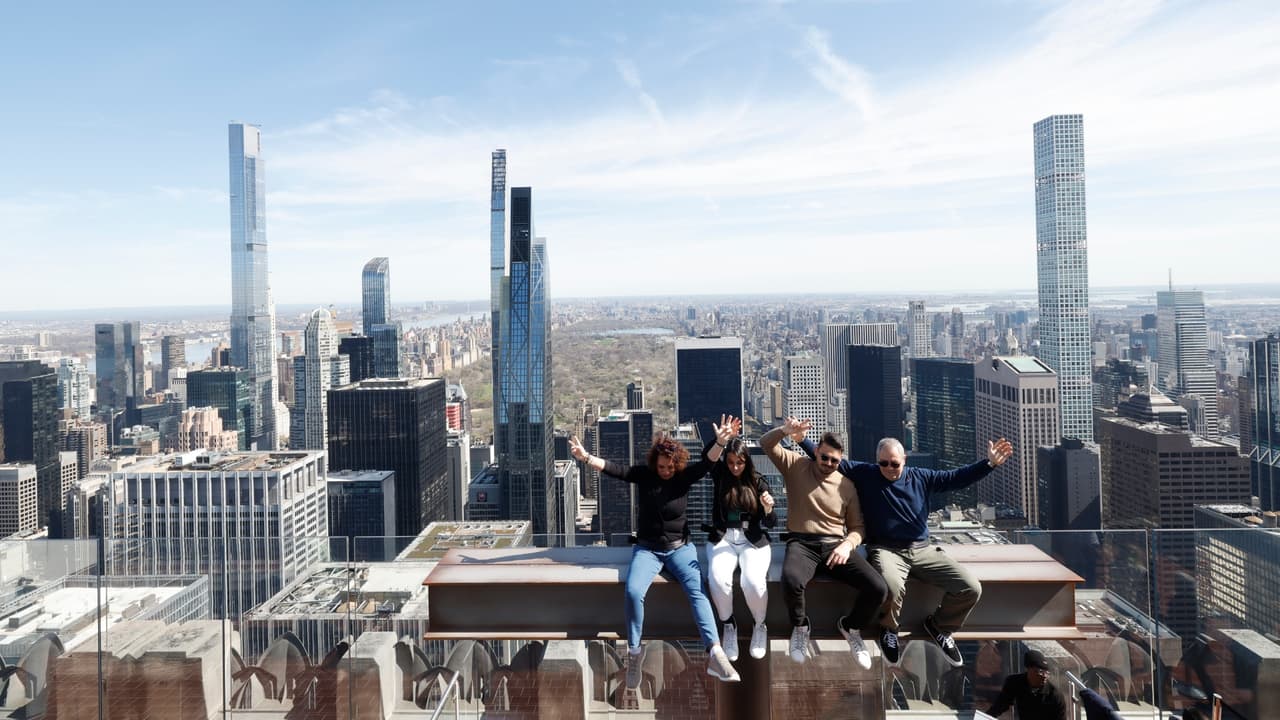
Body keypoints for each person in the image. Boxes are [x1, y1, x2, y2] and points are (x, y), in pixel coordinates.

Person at [798, 433, 1013, 667]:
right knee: (890, 585)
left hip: (922, 550)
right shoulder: (866, 474)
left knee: (970, 587)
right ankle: (889, 629)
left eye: (894, 463)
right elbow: (828, 457)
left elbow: (956, 479)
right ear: (876, 461)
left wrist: (989, 463)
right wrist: (801, 439)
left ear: (905, 460)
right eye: (883, 463)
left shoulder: (921, 477)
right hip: (886, 549)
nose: (889, 468)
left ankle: (940, 627)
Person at [569, 415, 742, 688]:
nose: (665, 470)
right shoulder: (645, 476)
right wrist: (586, 457)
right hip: (647, 550)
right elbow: (616, 469)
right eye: (662, 466)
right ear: (655, 463)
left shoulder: (683, 477)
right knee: (634, 591)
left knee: (697, 590)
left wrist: (721, 441)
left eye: (670, 467)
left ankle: (715, 652)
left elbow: (707, 462)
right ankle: (635, 653)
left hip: (679, 549)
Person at [761, 417, 888, 669]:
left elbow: (858, 528)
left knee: (878, 588)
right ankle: (800, 626)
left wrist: (847, 545)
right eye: (825, 457)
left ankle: (851, 628)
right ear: (816, 451)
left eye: (835, 461)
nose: (829, 464)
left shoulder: (847, 486)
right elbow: (766, 444)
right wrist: (785, 431)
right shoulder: (795, 465)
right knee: (791, 580)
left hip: (835, 546)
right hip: (801, 543)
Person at [703, 434, 777, 661]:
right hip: (723, 537)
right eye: (731, 462)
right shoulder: (721, 476)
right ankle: (729, 625)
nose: (735, 467)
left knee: (752, 581)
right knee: (717, 578)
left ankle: (759, 625)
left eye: (740, 462)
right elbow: (707, 458)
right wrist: (719, 440)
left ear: (747, 461)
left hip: (751, 539)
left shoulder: (758, 481)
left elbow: (771, 523)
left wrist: (767, 508)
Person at [986, 649, 1068, 719]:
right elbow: (1000, 706)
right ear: (1029, 669)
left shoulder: (1055, 695)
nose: (1044, 676)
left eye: (1046, 672)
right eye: (1040, 672)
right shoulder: (1015, 682)